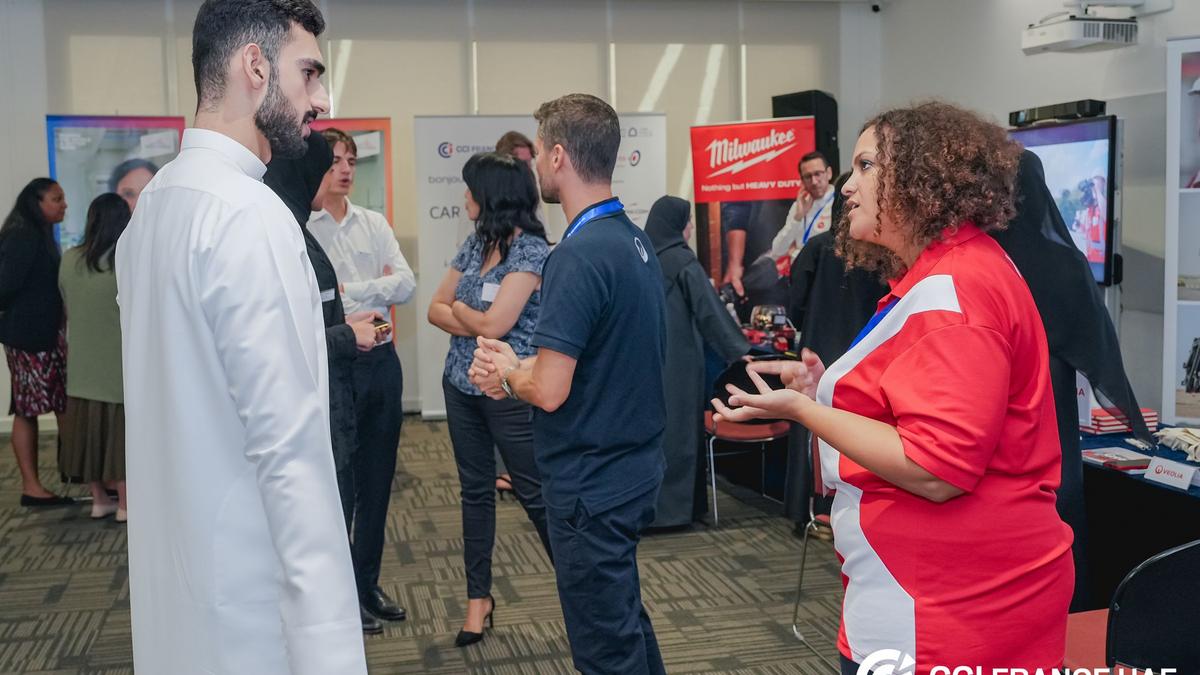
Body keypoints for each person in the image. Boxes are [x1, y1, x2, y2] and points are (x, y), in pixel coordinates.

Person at [713, 102, 1074, 673]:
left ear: (918, 177)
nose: (846, 186)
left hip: (945, 611)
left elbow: (936, 470)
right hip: (927, 595)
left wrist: (805, 411)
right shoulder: (941, 272)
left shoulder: (955, 289)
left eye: (865, 167)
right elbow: (914, 406)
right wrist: (821, 390)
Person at [114, 1, 366, 672]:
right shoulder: (250, 216)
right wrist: (333, 654)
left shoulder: (154, 208)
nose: (321, 99)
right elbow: (290, 456)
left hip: (175, 597)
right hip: (252, 614)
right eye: (308, 72)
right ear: (255, 66)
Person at [470, 93, 667, 675]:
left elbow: (552, 390)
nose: (535, 166)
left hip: (591, 484)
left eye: (539, 153)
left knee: (606, 650)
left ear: (558, 156)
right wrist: (520, 365)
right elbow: (594, 360)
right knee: (624, 623)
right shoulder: (632, 240)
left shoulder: (577, 255)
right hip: (628, 470)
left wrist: (508, 376)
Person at [992, 149, 1154, 611]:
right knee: (1056, 519)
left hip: (991, 417)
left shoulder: (980, 261)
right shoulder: (1062, 261)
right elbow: (1096, 347)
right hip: (1050, 419)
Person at [262, 130, 389, 634]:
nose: (335, 175)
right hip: (314, 411)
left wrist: (341, 325)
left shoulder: (294, 229)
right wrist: (346, 335)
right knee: (323, 521)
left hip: (331, 403)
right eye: (326, 168)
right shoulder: (285, 236)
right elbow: (283, 336)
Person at [427, 151, 554, 647]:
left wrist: (462, 311)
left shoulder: (532, 253)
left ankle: (581, 589)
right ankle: (477, 600)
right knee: (474, 493)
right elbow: (435, 308)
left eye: (472, 189)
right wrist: (471, 317)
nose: (465, 197)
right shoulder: (477, 243)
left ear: (492, 196)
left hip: (507, 388)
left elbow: (495, 325)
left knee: (535, 493)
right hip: (459, 386)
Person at [309, 126, 415, 625]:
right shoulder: (305, 229)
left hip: (383, 365)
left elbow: (406, 284)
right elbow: (317, 305)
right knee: (340, 487)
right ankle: (339, 598)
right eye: (336, 161)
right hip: (338, 367)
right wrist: (373, 291)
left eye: (351, 160)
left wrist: (349, 292)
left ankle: (366, 585)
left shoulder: (372, 222)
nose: (346, 169)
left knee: (377, 482)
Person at [781, 172, 889, 530]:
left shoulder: (817, 248)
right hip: (865, 349)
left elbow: (795, 303)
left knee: (811, 427)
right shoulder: (880, 251)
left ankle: (804, 508)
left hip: (819, 347)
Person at [643, 195, 748, 528]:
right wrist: (738, 349)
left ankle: (654, 509)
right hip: (679, 363)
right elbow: (709, 311)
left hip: (647, 360)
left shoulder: (642, 256)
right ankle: (674, 513)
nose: (690, 227)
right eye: (687, 221)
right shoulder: (682, 260)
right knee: (680, 433)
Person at [58, 193, 130, 521]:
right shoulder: (124, 262)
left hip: (82, 365)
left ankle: (99, 500)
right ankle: (127, 504)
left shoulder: (69, 260)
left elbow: (65, 303)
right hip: (118, 365)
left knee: (88, 435)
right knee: (120, 438)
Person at [0, 177, 71, 507]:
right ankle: (31, 487)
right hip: (29, 338)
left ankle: (70, 473)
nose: (64, 205)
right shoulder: (23, 236)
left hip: (42, 336)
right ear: (36, 202)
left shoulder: (38, 233)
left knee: (51, 404)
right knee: (27, 409)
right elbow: (6, 286)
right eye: (56, 199)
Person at [768, 151, 836, 267]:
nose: (814, 181)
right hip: (800, 273)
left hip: (826, 270)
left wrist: (795, 252)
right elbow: (777, 251)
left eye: (818, 174)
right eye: (808, 176)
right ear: (802, 180)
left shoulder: (839, 202)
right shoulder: (799, 205)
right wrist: (798, 217)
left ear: (828, 173)